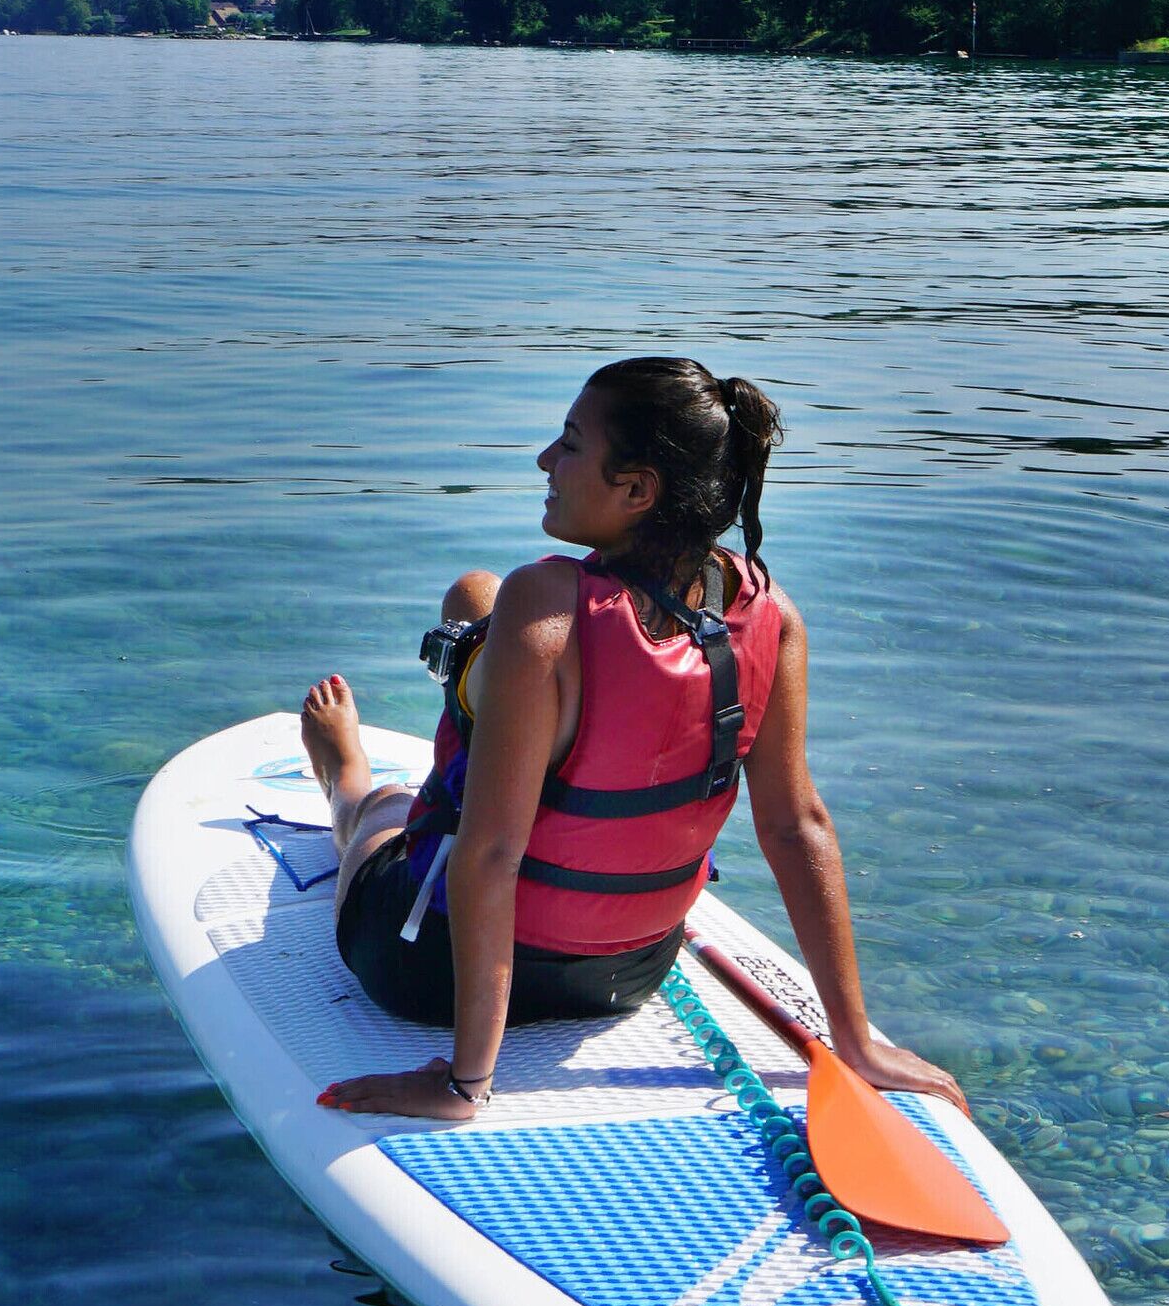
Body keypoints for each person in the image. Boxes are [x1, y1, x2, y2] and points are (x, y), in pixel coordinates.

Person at [296, 355, 964, 1127]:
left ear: (638, 490)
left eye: (571, 444)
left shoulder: (543, 604)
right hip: (629, 970)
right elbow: (796, 825)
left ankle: (343, 771)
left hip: (429, 972)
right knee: (472, 596)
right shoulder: (771, 612)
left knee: (380, 811)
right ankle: (469, 681)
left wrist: (464, 1083)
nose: (546, 459)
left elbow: (490, 855)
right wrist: (857, 1042)